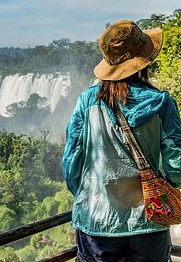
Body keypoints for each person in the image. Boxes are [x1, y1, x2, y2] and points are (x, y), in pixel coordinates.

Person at [61, 20, 181, 262]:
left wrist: (90, 195)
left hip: (97, 221)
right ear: (142, 62)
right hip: (149, 220)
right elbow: (177, 165)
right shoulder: (161, 103)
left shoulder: (87, 101)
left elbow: (72, 161)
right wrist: (158, 188)